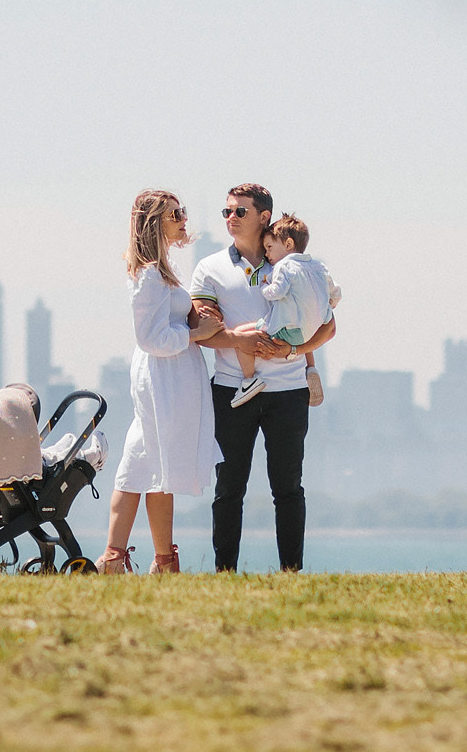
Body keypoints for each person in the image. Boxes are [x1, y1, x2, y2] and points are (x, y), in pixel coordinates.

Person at [189, 183, 337, 572]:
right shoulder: (209, 268)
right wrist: (239, 338)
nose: (230, 219)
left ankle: (292, 572)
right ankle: (224, 573)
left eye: (239, 212)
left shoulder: (293, 262)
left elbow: (328, 326)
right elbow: (200, 330)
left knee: (288, 488)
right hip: (230, 389)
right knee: (228, 489)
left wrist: (291, 351)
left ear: (264, 216)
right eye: (227, 212)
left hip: (289, 391)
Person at [99, 189, 218, 575]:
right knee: (152, 462)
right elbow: (150, 339)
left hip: (169, 378)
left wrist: (190, 319)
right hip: (163, 379)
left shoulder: (162, 270)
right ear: (154, 223)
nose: (183, 219)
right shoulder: (150, 274)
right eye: (174, 214)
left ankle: (143, 559)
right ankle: (135, 558)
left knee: (147, 464)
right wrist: (196, 335)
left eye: (182, 211)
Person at [227, 213, 335, 408]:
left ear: (288, 244)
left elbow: (278, 291)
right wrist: (331, 302)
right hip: (311, 331)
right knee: (300, 313)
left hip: (288, 332)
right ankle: (311, 369)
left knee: (241, 335)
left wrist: (265, 288)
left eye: (269, 248)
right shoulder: (317, 266)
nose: (267, 254)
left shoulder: (283, 266)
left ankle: (249, 380)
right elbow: (335, 292)